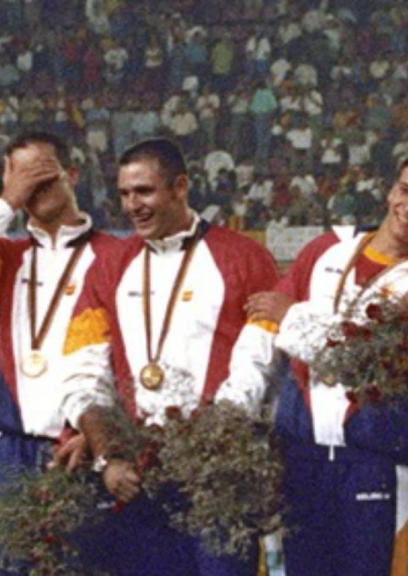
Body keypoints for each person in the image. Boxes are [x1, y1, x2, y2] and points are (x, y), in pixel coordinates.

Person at [66, 138, 281, 575]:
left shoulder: (243, 257)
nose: (132, 205)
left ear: (180, 187)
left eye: (144, 191)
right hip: (136, 478)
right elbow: (84, 371)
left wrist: (206, 448)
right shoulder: (109, 266)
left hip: (216, 477)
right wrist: (109, 457)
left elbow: (257, 365)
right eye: (124, 194)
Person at [242, 158, 408, 576]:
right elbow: (264, 325)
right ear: (391, 191)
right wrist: (235, 408)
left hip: (372, 461)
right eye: (405, 190)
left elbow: (365, 360)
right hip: (303, 456)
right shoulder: (327, 248)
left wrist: (293, 317)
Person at [0, 131, 119, 475]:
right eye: (22, 177)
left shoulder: (116, 254)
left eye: (41, 173)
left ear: (71, 174)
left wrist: (101, 433)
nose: (33, 187)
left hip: (80, 446)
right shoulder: (3, 258)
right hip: (9, 450)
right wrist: (7, 201)